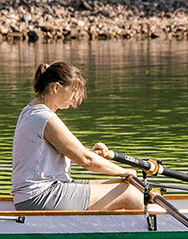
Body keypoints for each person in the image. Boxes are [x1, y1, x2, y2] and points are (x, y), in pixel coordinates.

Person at [13, 61, 145, 212]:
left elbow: (73, 153)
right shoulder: (44, 117)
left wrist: (91, 152)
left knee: (123, 185)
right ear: (56, 87)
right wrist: (124, 171)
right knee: (128, 192)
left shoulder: (30, 111)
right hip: (39, 197)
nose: (75, 98)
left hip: (35, 195)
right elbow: (85, 160)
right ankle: (161, 227)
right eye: (73, 91)